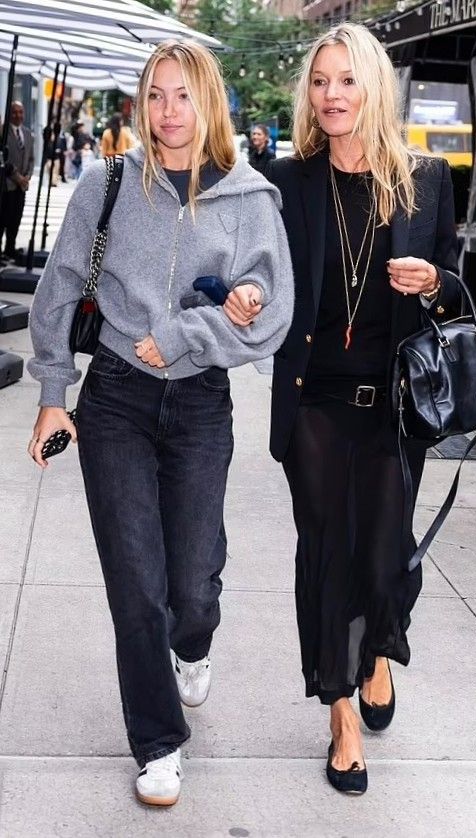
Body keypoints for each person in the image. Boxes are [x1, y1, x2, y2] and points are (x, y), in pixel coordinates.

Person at [27, 40, 293, 807]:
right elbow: (60, 286)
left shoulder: (248, 199)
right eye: (154, 96)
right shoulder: (105, 184)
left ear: (208, 104)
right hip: (113, 396)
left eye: (182, 96)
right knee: (136, 585)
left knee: (192, 585)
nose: (167, 113)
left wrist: (203, 325)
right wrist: (54, 388)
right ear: (140, 105)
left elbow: (267, 312)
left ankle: (195, 642)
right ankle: (157, 741)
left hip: (201, 402)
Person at [268, 22, 460, 795]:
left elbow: (453, 281)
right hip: (313, 397)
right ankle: (340, 714)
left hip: (391, 404)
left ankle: (377, 644)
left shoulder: (424, 176)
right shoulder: (287, 181)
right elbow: (250, 276)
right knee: (326, 553)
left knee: (384, 562)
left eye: (345, 80)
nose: (330, 95)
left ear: (372, 87)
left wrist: (434, 285)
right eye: (319, 82)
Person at [0, 101, 34, 259]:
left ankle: (10, 249)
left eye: (21, 112)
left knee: (16, 219)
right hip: (6, 185)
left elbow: (32, 159)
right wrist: (17, 177)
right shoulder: (2, 131)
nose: (18, 115)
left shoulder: (27, 133)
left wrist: (27, 176)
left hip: (21, 187)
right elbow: (3, 159)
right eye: (14, 112)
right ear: (9, 113)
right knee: (2, 219)